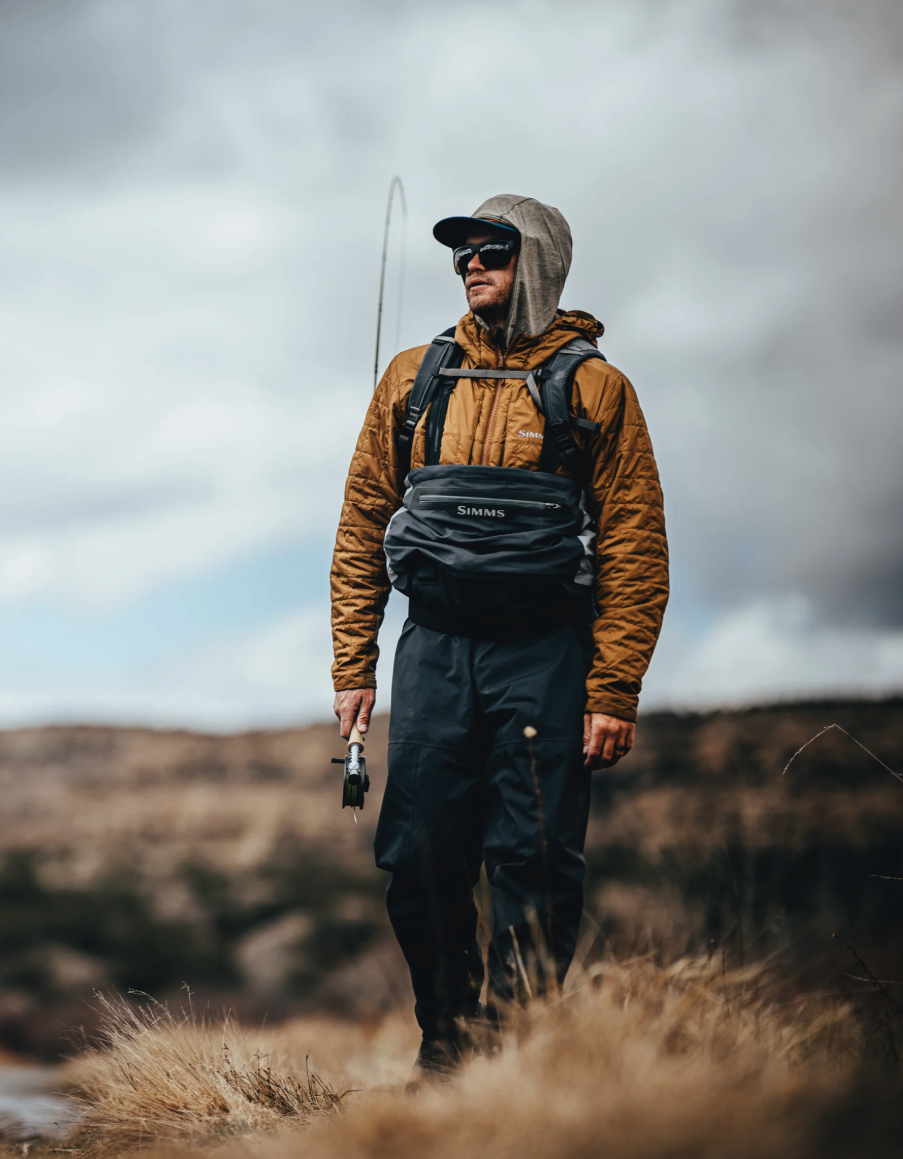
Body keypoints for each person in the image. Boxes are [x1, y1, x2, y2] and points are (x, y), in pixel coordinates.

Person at [331, 194, 668, 1078]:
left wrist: (613, 688)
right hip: (434, 647)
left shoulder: (597, 389)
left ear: (540, 261)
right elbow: (362, 523)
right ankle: (447, 1042)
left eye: (493, 251)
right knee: (417, 857)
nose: (471, 265)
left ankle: (519, 1056)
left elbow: (634, 546)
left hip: (546, 653)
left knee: (535, 858)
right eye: (462, 254)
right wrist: (353, 664)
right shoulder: (412, 378)